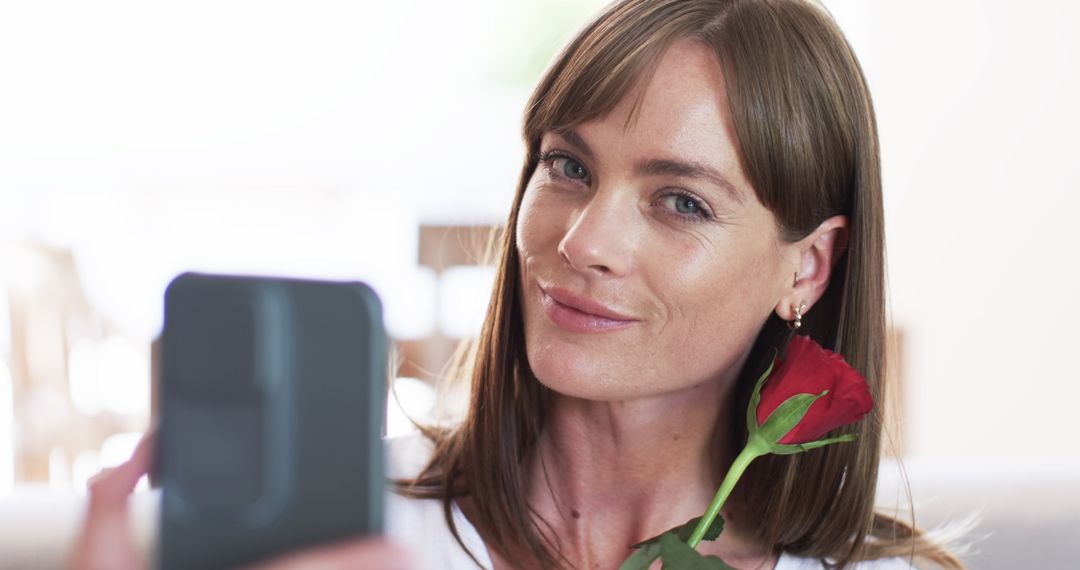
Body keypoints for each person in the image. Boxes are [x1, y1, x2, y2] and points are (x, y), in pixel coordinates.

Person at [74, 0, 965, 568]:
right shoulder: (353, 531)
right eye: (568, 165)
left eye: (681, 202)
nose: (582, 240)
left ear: (805, 267)